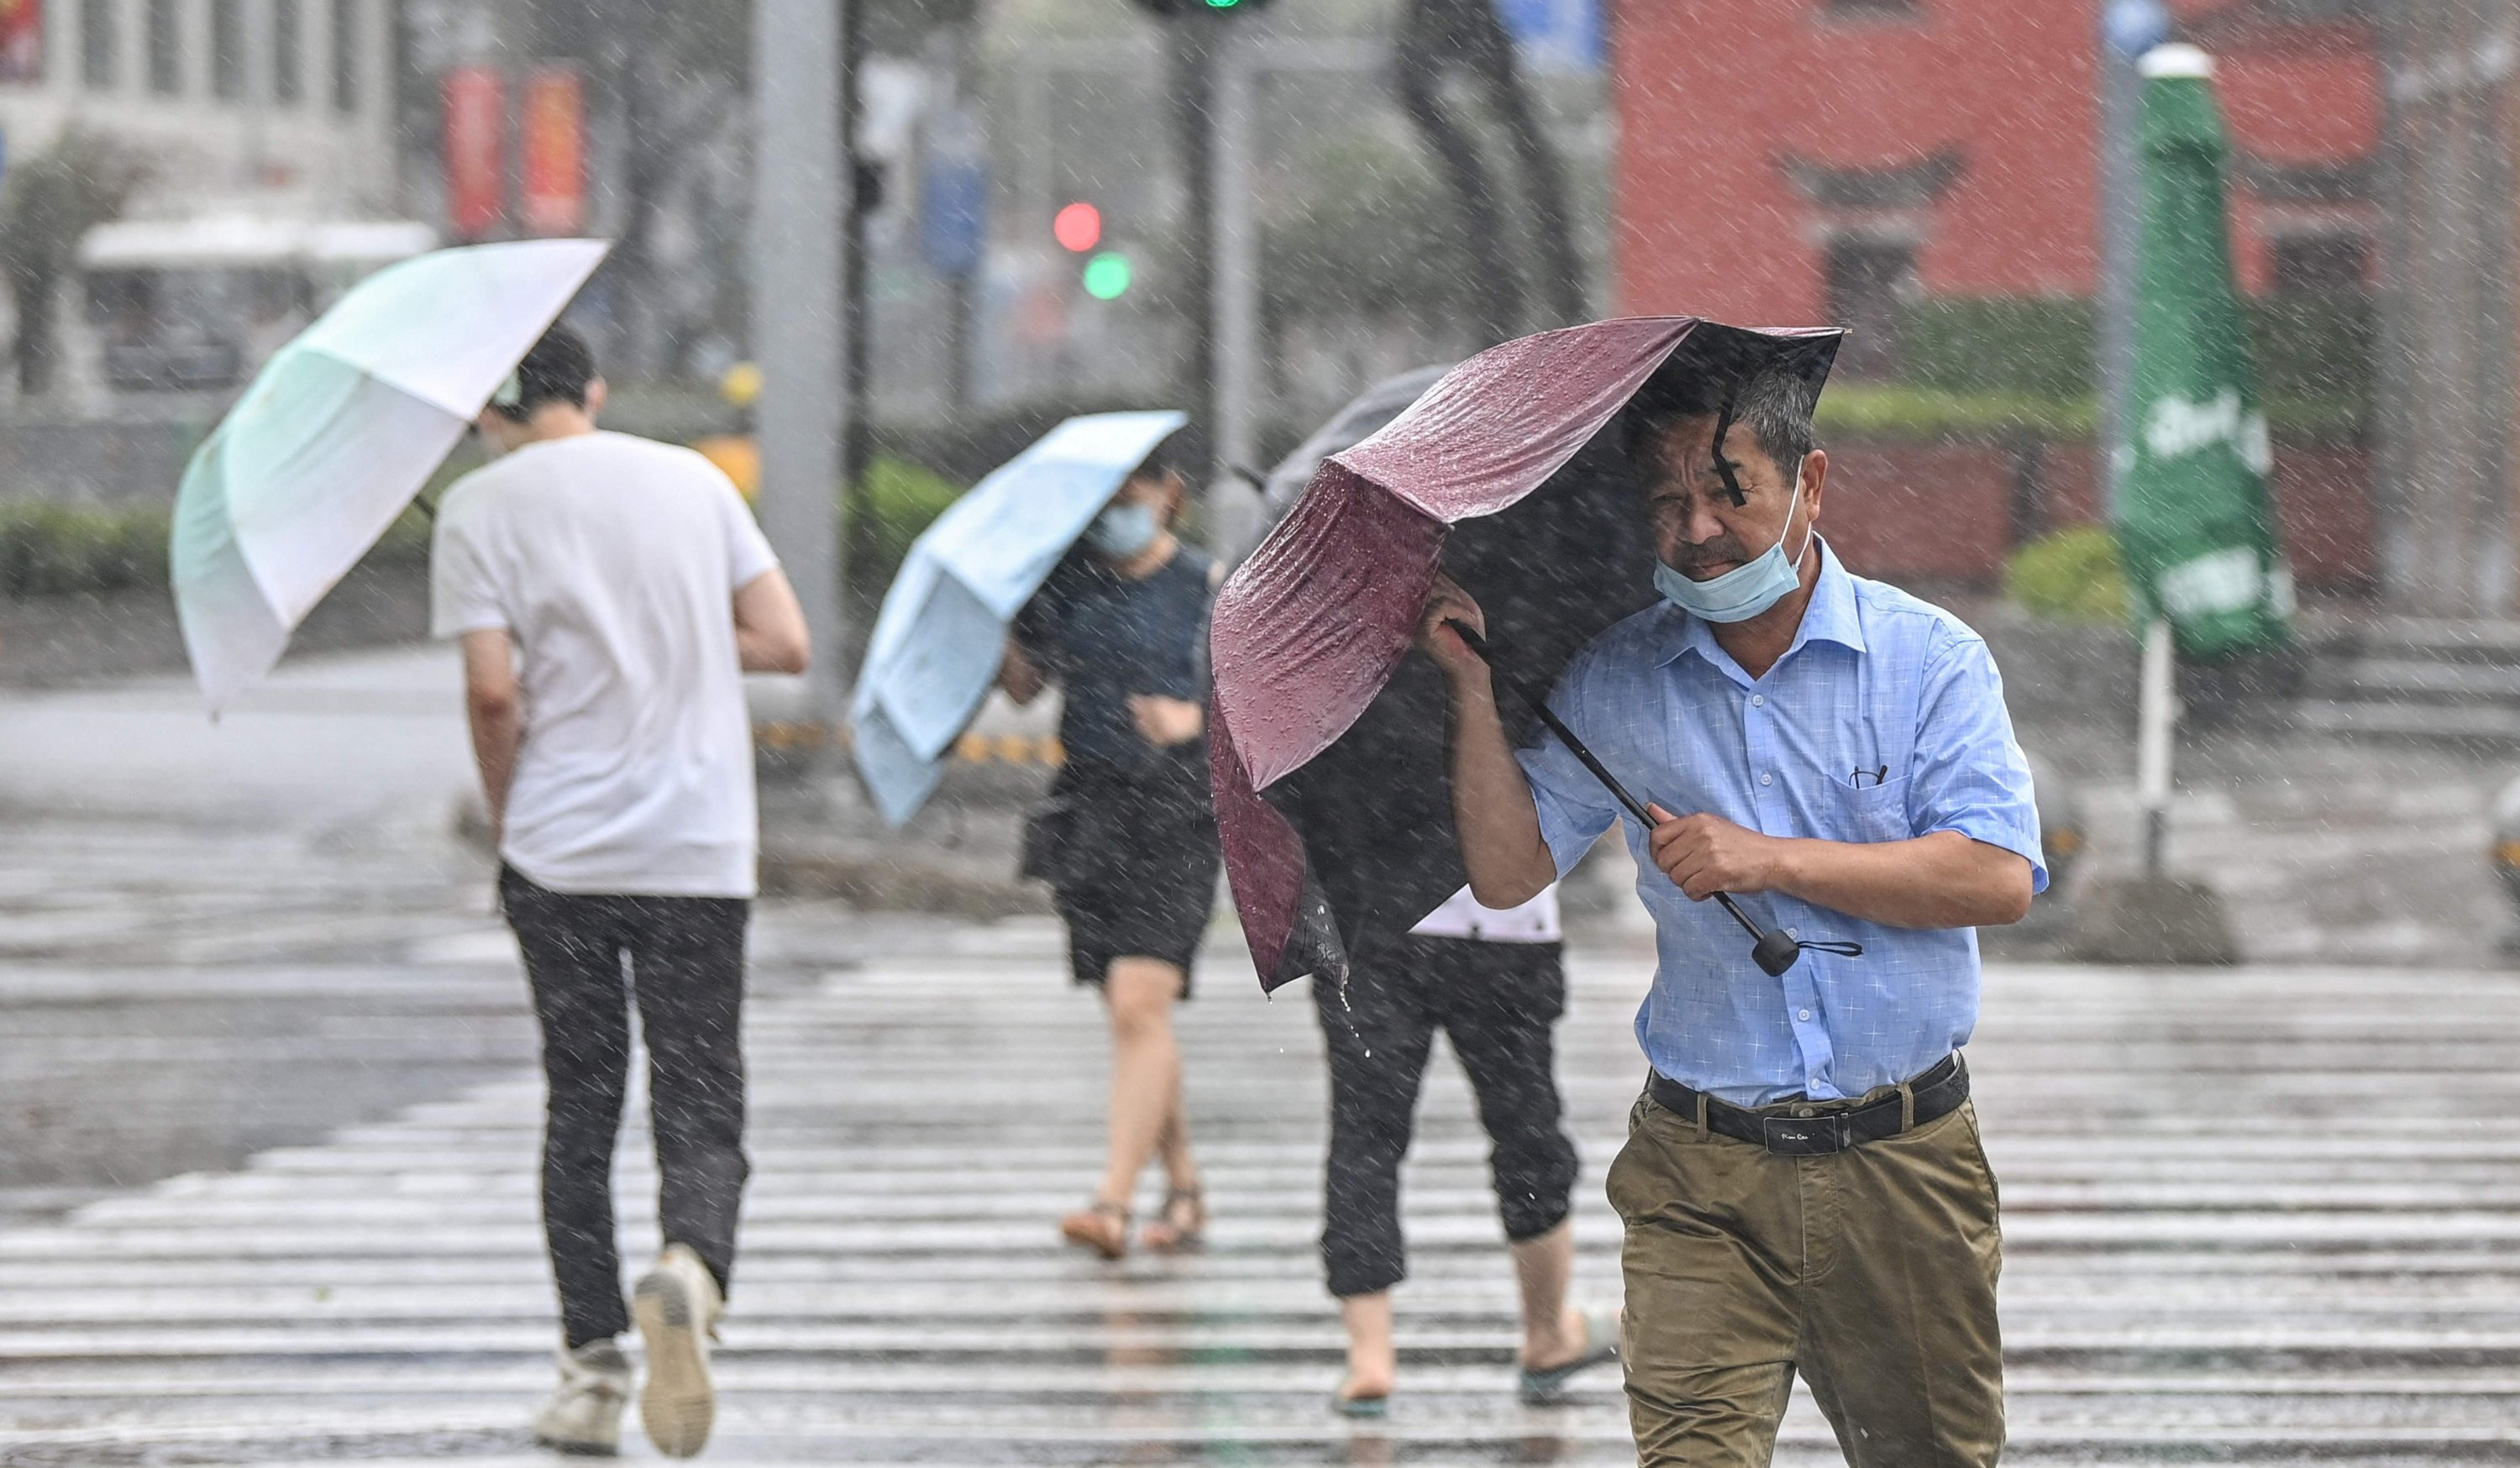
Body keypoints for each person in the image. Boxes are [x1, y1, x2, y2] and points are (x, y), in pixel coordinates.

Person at [1415, 357, 2043, 1466]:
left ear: (1812, 484)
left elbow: (1995, 874)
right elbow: (1510, 876)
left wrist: (1771, 861)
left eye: (1727, 490)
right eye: (1667, 502)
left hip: (1902, 1166)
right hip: (1700, 1170)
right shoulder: (1619, 680)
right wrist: (1471, 691)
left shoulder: (1928, 660)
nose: (1698, 528)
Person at [430, 324, 811, 1459]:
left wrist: (508, 815)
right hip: (696, 844)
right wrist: (671, 636)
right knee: (700, 1087)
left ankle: (592, 1367)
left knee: (582, 1103)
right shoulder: (692, 480)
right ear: (592, 390)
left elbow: (493, 696)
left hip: (561, 852)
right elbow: (783, 640)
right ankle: (693, 1260)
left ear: (491, 412)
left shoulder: (476, 510)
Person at [1000, 450, 1222, 1261]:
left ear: (1170, 493)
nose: (1116, 514)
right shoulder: (1067, 582)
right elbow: (1024, 687)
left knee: (1138, 1005)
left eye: (1132, 496)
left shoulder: (1210, 588)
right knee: (1133, 1019)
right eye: (1105, 501)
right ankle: (1185, 1186)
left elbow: (1264, 698)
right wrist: (999, 615)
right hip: (1089, 809)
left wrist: (1196, 719)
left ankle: (1112, 1202)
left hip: (1180, 809)